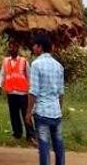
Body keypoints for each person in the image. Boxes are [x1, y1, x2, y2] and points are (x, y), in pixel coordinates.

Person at [25, 34, 65, 165]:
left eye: (35, 46)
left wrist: (28, 112)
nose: (33, 48)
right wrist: (59, 109)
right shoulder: (58, 66)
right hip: (56, 113)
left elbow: (33, 91)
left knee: (44, 146)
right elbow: (61, 93)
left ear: (40, 47)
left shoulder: (36, 65)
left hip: (42, 112)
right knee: (58, 144)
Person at [0, 41, 34, 143]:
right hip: (11, 92)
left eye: (14, 47)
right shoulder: (5, 61)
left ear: (17, 49)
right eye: (10, 47)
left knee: (25, 114)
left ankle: (30, 135)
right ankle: (17, 133)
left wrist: (31, 90)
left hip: (22, 93)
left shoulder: (23, 61)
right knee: (14, 114)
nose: (11, 49)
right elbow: (2, 74)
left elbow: (29, 76)